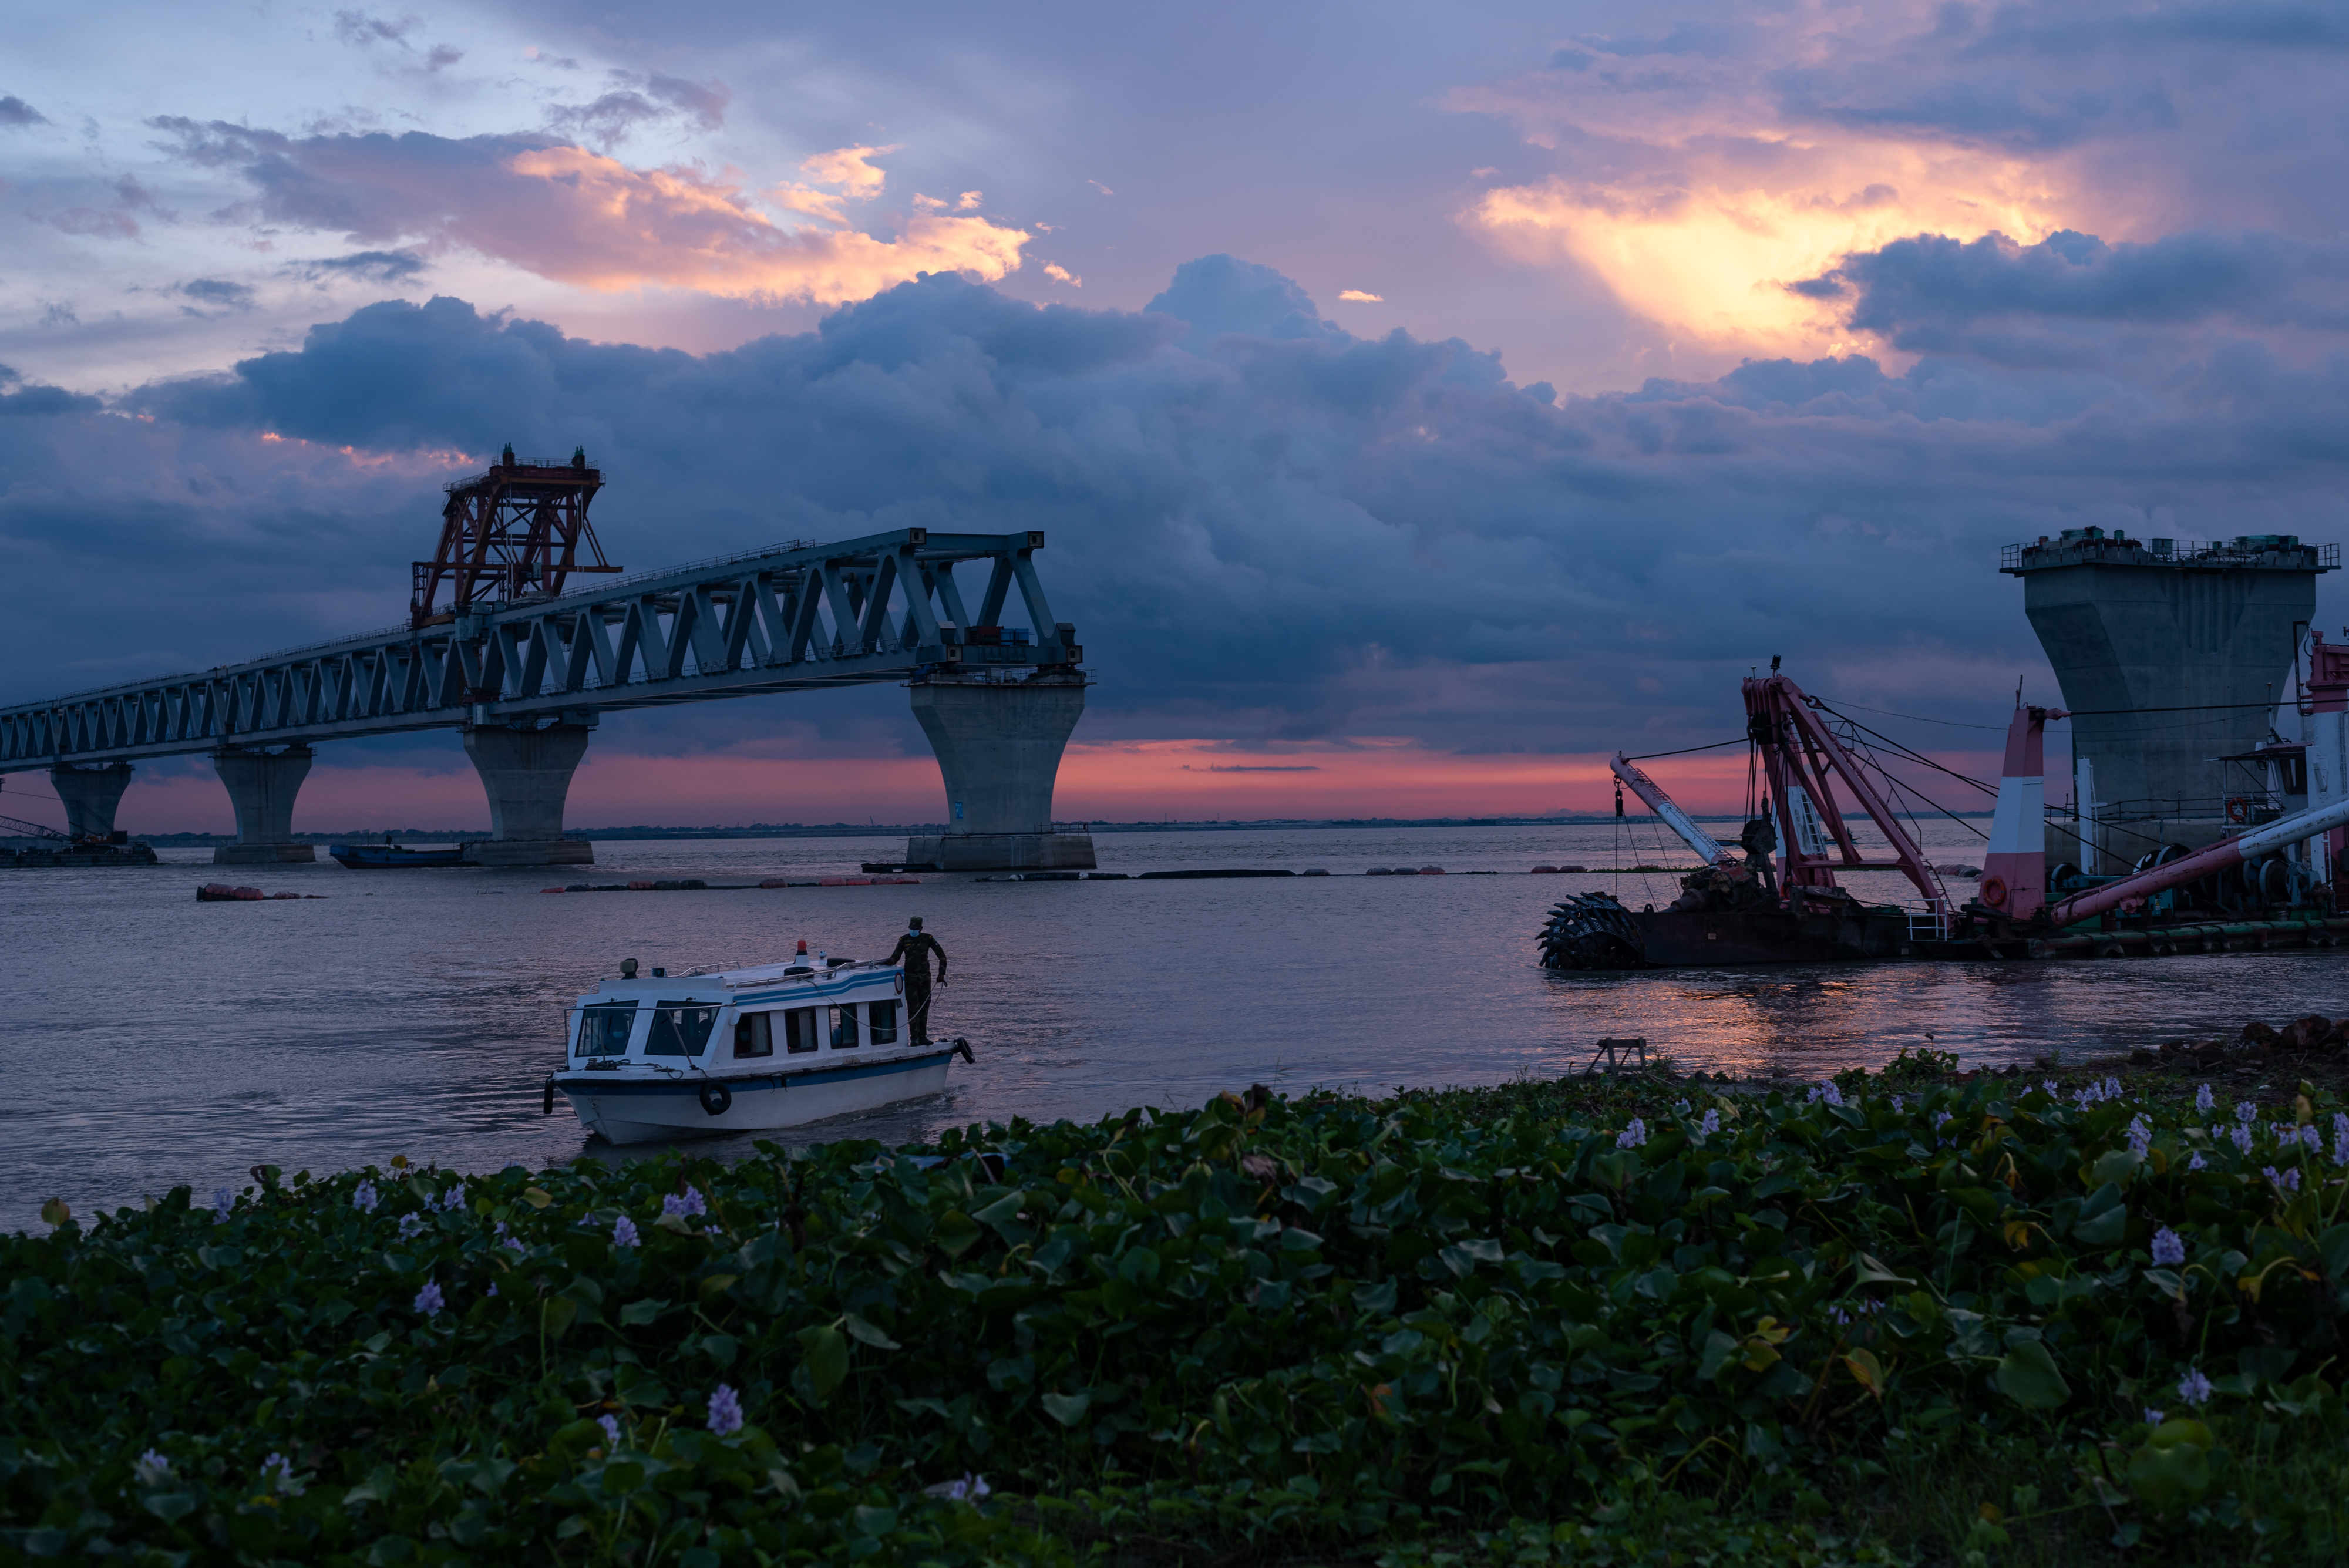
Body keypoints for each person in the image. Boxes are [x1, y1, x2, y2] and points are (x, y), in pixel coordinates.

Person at [886, 917, 949, 1047]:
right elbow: (895, 957)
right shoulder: (904, 940)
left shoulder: (928, 939)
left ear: (921, 929)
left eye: (916, 929)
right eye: (911, 928)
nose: (913, 931)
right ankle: (915, 1037)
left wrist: (941, 974)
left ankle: (923, 1036)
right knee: (913, 1009)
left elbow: (942, 956)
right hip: (911, 980)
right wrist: (889, 962)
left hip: (925, 980)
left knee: (924, 1008)